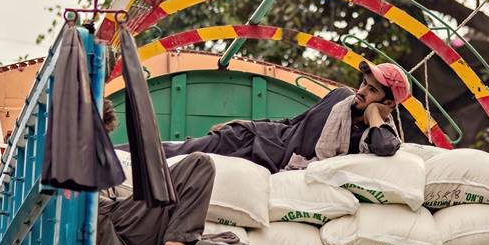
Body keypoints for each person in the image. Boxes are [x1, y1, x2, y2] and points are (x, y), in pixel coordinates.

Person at [97, 99, 260, 245]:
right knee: (199, 164)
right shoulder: (76, 160)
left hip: (125, 228)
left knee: (228, 238)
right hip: (117, 230)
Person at [162, 61, 410, 173]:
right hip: (252, 140)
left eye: (372, 90)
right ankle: (125, 156)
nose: (361, 91)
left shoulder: (367, 138)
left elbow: (387, 147)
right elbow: (292, 123)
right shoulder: (339, 98)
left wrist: (375, 115)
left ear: (388, 102)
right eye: (364, 84)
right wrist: (244, 124)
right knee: (182, 151)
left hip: (270, 165)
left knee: (193, 168)